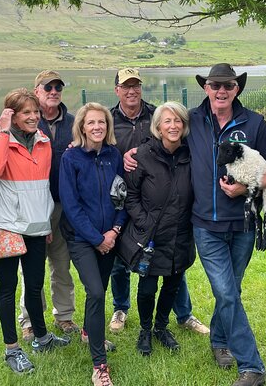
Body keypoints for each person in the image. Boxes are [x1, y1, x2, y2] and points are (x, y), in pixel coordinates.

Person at [188, 63, 266, 386]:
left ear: (236, 89)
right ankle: (252, 366)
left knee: (231, 290)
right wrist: (132, 154)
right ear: (206, 89)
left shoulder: (253, 122)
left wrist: (250, 186)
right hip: (205, 225)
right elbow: (163, 136)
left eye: (227, 85)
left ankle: (219, 340)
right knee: (227, 292)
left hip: (243, 224)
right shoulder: (192, 121)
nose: (221, 91)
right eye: (215, 85)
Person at [109, 67, 209, 336]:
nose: (132, 91)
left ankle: (184, 313)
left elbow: (168, 147)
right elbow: (94, 146)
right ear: (117, 89)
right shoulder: (108, 120)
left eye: (136, 85)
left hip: (157, 199)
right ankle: (121, 307)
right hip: (120, 199)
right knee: (121, 260)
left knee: (170, 258)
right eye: (126, 86)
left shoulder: (156, 114)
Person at [0, 88, 70, 374]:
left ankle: (42, 337)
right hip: (5, 224)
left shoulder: (42, 142)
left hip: (35, 225)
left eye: (35, 112)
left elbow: (41, 189)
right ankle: (12, 349)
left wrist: (45, 223)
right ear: (11, 115)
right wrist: (4, 132)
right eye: (25, 113)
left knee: (34, 285)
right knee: (8, 289)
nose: (33, 117)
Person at [59, 102, 128, 386]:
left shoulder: (114, 155)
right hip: (81, 238)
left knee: (100, 289)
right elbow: (71, 205)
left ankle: (89, 330)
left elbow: (123, 195)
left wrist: (114, 230)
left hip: (109, 236)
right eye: (91, 123)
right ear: (82, 127)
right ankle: (99, 364)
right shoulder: (71, 158)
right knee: (97, 293)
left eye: (102, 122)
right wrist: (97, 238)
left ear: (107, 126)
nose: (97, 127)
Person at [121, 102, 196, 356]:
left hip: (181, 234)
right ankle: (145, 329)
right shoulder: (142, 155)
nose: (173, 126)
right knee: (148, 287)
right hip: (151, 237)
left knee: (172, 285)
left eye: (178, 121)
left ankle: (161, 327)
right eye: (167, 121)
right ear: (158, 127)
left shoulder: (190, 155)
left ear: (184, 126)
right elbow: (130, 196)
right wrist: (144, 222)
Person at [17, 70, 79, 341]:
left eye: (58, 87)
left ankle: (64, 315)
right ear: (37, 90)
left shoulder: (74, 122)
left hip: (63, 206)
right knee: (31, 266)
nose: (54, 91)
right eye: (48, 87)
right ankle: (30, 319)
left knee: (61, 264)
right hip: (32, 206)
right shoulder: (25, 122)